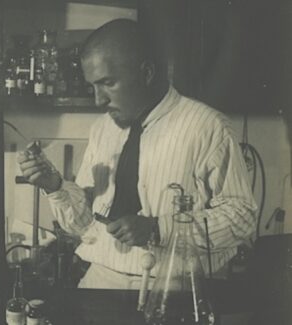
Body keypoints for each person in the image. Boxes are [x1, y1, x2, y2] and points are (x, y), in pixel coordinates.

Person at [18, 19, 257, 289]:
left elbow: (241, 217)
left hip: (174, 285)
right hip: (100, 279)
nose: (99, 100)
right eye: (93, 86)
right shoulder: (102, 129)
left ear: (147, 73)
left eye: (108, 83)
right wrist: (55, 186)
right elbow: (84, 225)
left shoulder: (207, 127)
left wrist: (159, 229)